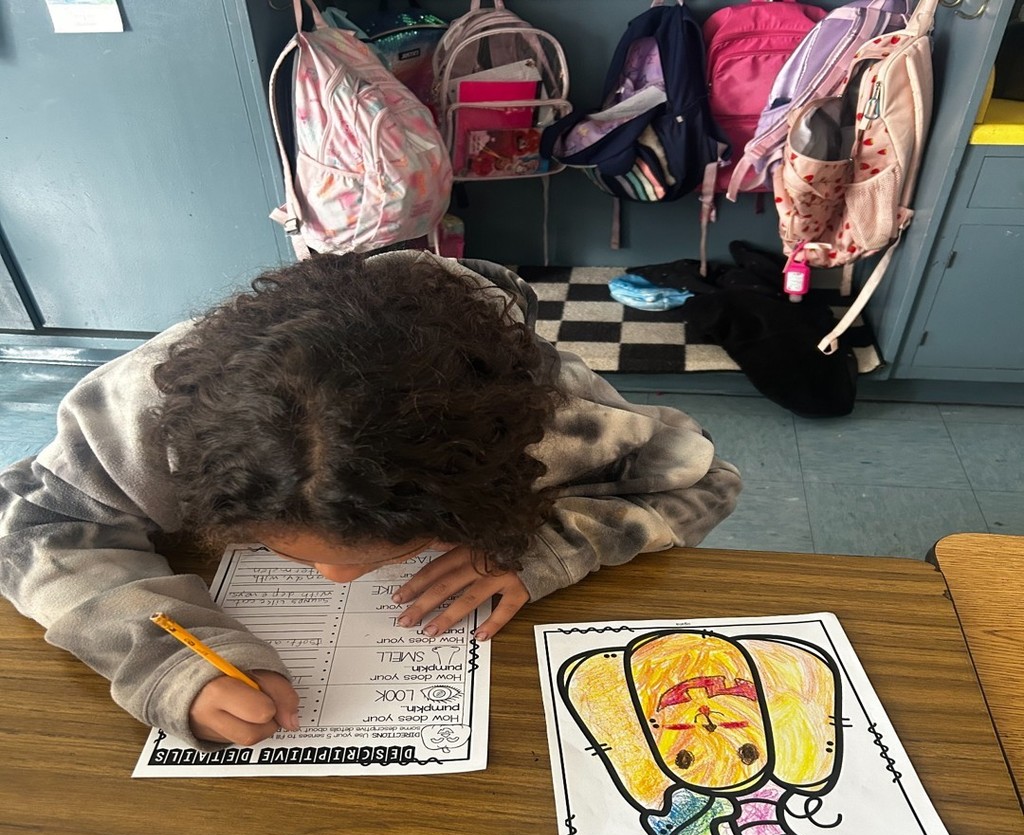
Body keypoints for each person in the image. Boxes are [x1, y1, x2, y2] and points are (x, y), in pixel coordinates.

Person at [0, 251, 741, 750]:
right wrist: (163, 661)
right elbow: (31, 524)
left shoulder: (546, 422)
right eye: (282, 545)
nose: (338, 582)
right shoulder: (139, 416)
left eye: (401, 549)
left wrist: (549, 546)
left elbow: (707, 476)